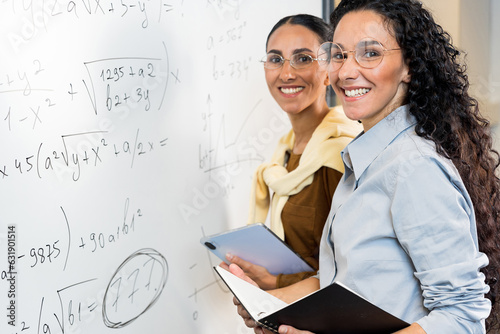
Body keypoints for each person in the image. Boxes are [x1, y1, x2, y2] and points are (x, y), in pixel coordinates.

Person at [228, 0, 500, 333]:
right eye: (339, 55)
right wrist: (268, 304)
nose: (345, 71)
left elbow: (462, 318)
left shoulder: (414, 167)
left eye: (370, 53)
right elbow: (340, 281)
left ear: (409, 65)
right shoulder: (365, 162)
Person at [224, 14, 361, 290]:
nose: (286, 74)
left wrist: (276, 283)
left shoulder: (344, 156)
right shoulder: (285, 153)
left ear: (329, 70)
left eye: (303, 58)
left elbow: (357, 271)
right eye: (275, 59)